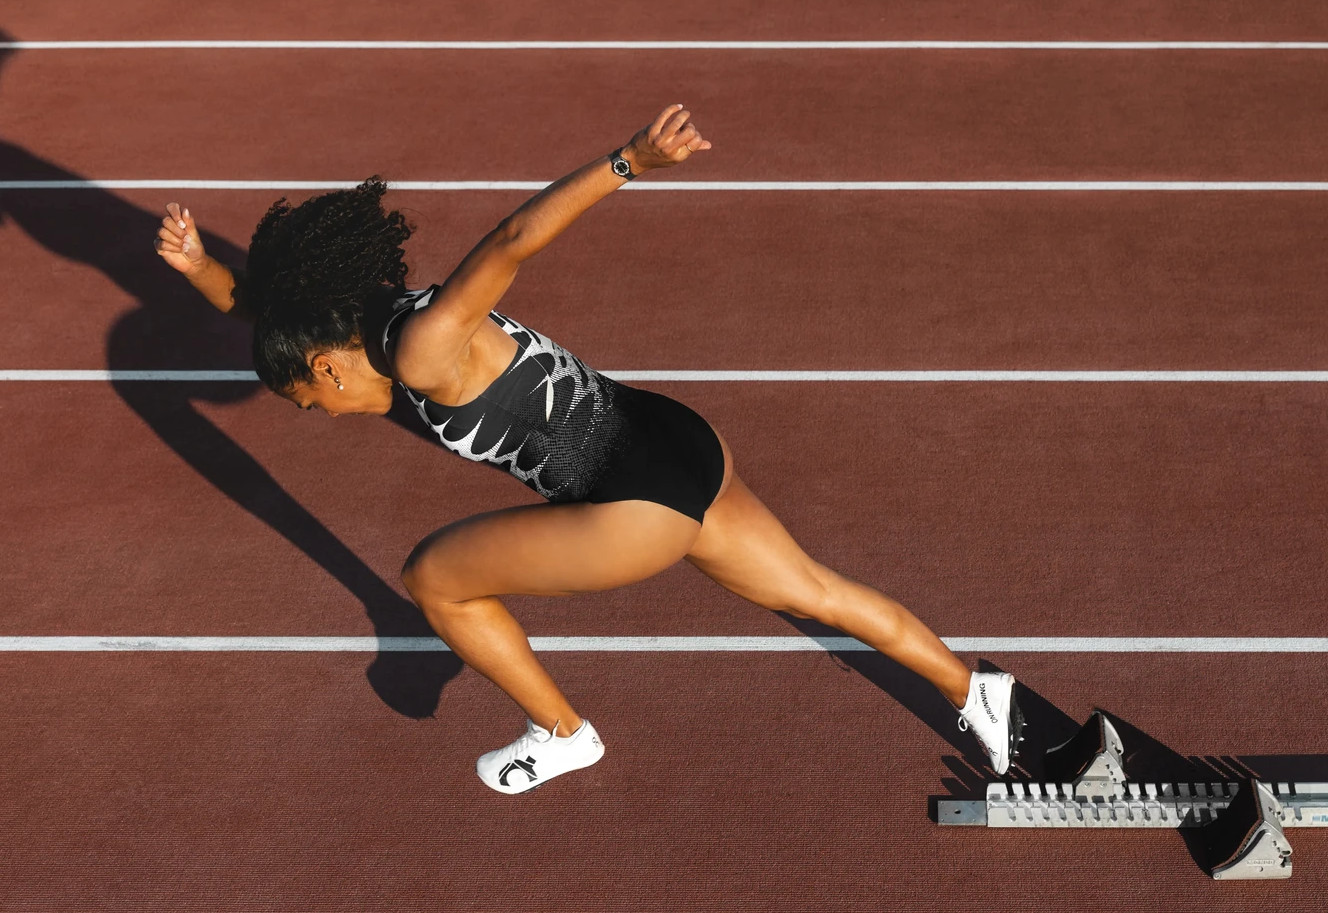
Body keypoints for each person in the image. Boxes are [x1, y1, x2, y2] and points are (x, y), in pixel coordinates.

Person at [156, 105, 1019, 793]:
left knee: (433, 578)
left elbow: (509, 244)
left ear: (329, 369)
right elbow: (272, 313)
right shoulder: (358, 316)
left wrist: (629, 163)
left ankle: (564, 734)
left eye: (308, 401)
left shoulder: (421, 351)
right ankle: (975, 693)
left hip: (632, 506)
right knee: (815, 591)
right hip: (677, 441)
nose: (323, 414)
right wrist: (201, 269)